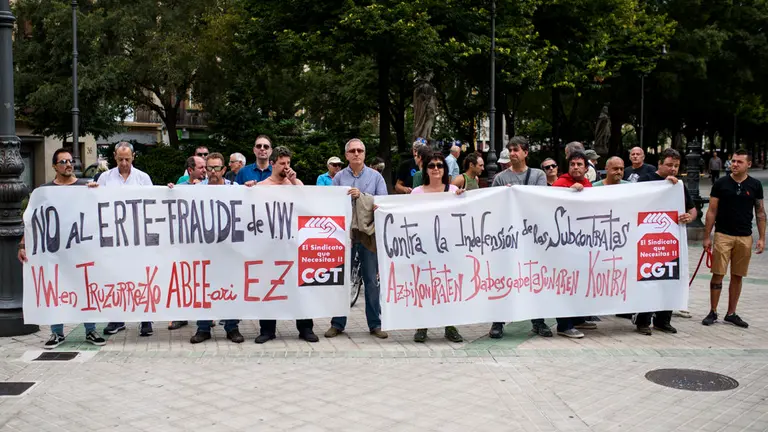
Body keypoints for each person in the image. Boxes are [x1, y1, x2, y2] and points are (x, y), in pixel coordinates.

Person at [17, 148, 106, 349]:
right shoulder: (45, 191)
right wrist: (23, 244)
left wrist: (97, 191)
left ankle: (90, 330)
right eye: (63, 161)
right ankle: (57, 333)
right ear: (54, 166)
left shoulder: (85, 186)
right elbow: (33, 222)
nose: (68, 164)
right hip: (55, 252)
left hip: (81, 250)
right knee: (55, 289)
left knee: (85, 289)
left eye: (70, 161)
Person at [174, 153, 245, 344]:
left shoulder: (235, 188)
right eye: (209, 168)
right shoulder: (197, 189)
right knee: (204, 288)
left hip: (229, 249)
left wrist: (252, 189)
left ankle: (232, 327)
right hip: (204, 249)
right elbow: (177, 198)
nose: (213, 172)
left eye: (217, 168)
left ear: (224, 170)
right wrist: (172, 190)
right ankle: (203, 328)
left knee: (230, 287)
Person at [488, 137, 553, 339]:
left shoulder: (538, 175)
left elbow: (540, 199)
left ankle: (538, 321)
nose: (513, 153)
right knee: (505, 278)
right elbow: (493, 206)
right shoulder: (500, 178)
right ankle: (498, 321)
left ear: (526, 152)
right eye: (510, 149)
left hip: (532, 237)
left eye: (516, 149)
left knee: (534, 278)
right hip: (508, 238)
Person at [325, 139, 389, 340]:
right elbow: (330, 203)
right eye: (352, 151)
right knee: (342, 279)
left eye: (360, 150)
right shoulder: (338, 178)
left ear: (364, 154)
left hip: (368, 235)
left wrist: (363, 196)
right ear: (346, 155)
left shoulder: (376, 177)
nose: (356, 154)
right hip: (345, 236)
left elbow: (383, 203)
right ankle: (337, 323)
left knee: (371, 280)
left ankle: (375, 324)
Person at [252, 146, 316, 343]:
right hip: (269, 245)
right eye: (282, 163)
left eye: (288, 163)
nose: (286, 167)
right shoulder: (263, 186)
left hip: (293, 243)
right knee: (268, 286)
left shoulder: (295, 184)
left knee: (299, 287)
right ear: (273, 164)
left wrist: (294, 182)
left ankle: (305, 328)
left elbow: (309, 204)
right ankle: (267, 329)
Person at [634, 148, 697, 335]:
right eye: (669, 165)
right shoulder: (645, 180)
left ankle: (663, 320)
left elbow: (693, 209)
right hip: (646, 240)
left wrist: (689, 216)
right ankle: (643, 320)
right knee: (648, 280)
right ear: (660, 164)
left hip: (669, 242)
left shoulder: (679, 186)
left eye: (676, 166)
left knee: (669, 278)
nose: (673, 169)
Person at [95, 142, 155, 337]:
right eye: (120, 159)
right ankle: (117, 318)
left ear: (133, 157)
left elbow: (153, 202)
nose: (123, 163)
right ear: (114, 157)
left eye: (127, 159)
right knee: (116, 277)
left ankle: (146, 320)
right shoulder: (105, 177)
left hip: (138, 236)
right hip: (114, 237)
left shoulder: (143, 178)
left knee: (142, 277)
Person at [702, 150, 765, 328]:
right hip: (723, 235)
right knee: (718, 274)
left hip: (745, 237)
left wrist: (761, 238)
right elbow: (711, 211)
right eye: (733, 161)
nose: (734, 165)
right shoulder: (721, 183)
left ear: (748, 165)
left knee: (737, 276)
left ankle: (731, 313)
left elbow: (760, 212)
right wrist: (707, 236)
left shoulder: (755, 185)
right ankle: (713, 311)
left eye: (739, 162)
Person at [410, 152, 466, 342]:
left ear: (445, 169)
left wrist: (462, 198)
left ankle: (450, 326)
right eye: (431, 165)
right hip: (423, 246)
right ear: (425, 169)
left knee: (447, 286)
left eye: (439, 165)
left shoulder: (453, 191)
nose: (435, 169)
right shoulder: (416, 192)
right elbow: (404, 215)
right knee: (424, 286)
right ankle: (422, 325)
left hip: (447, 247)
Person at [551, 151, 594, 338]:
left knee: (579, 281)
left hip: (582, 242)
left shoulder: (588, 184)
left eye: (579, 164)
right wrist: (570, 194)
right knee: (565, 283)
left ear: (586, 168)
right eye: (572, 164)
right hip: (563, 243)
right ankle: (564, 325)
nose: (575, 167)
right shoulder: (560, 183)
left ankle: (577, 319)